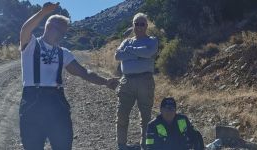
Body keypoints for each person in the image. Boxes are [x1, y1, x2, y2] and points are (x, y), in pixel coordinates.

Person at [19, 2, 118, 150]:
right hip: (33, 100)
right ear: (49, 26)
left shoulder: (63, 52)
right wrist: (43, 12)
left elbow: (84, 73)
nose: (61, 34)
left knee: (63, 145)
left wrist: (105, 82)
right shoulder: (31, 45)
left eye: (63, 31)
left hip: (56, 101)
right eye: (60, 29)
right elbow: (25, 29)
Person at [114, 12, 158, 150]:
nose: (139, 26)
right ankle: (121, 144)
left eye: (142, 24)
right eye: (136, 24)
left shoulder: (152, 40)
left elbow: (149, 53)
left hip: (145, 81)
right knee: (122, 114)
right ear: (133, 25)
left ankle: (145, 145)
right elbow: (117, 56)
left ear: (146, 25)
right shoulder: (125, 41)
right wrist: (139, 54)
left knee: (145, 115)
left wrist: (130, 52)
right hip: (126, 81)